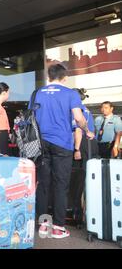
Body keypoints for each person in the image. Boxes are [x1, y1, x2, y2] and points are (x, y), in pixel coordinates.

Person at [34, 64, 94, 239]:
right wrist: (87, 129)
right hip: (62, 144)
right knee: (61, 185)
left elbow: (34, 116)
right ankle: (59, 227)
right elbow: (78, 118)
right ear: (64, 77)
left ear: (49, 76)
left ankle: (44, 224)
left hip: (42, 144)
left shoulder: (39, 93)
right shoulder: (70, 93)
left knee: (44, 184)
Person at [72, 88, 98, 163]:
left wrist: (77, 149)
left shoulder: (77, 110)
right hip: (89, 142)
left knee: (81, 172)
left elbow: (78, 130)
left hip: (83, 143)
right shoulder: (84, 109)